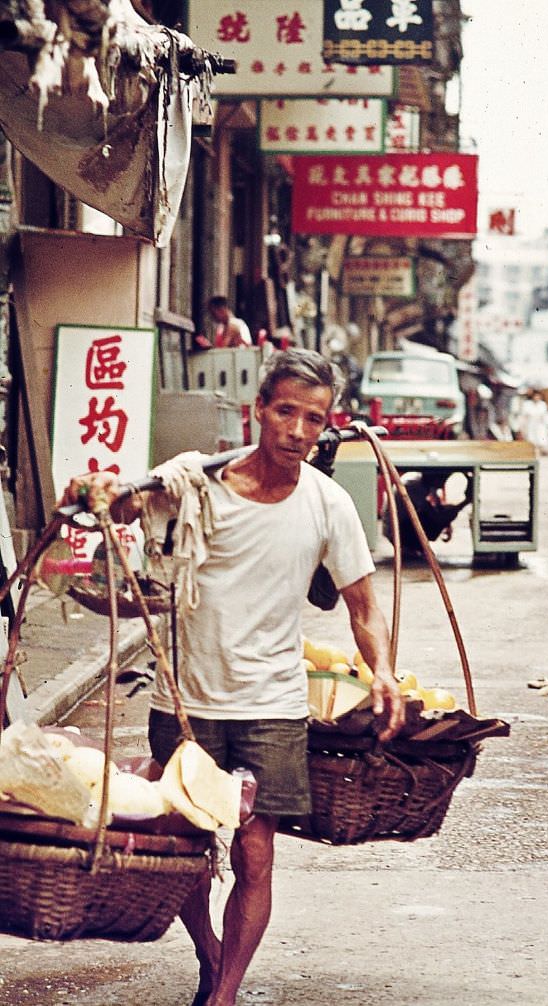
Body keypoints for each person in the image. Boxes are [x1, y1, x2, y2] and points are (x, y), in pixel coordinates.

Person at [61, 348, 404, 1006]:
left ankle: (224, 995)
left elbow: (363, 605)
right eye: (285, 413)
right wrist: (93, 496)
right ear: (258, 412)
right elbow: (117, 512)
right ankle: (209, 954)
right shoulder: (193, 484)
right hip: (186, 699)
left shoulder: (329, 504)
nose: (298, 431)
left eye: (313, 418)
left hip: (272, 703)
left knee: (254, 852)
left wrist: (381, 671)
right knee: (185, 849)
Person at [518, 388, 548, 453]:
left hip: (539, 423)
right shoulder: (527, 404)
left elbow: (544, 415)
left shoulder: (543, 404)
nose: (537, 398)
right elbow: (524, 415)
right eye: (535, 396)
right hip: (530, 423)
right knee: (530, 437)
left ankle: (539, 450)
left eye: (538, 396)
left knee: (540, 436)